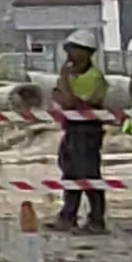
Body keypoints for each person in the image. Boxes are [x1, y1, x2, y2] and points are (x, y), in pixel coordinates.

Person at [53, 34, 112, 233]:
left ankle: (96, 219)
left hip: (87, 130)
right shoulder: (74, 75)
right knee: (70, 172)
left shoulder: (93, 77)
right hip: (72, 127)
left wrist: (64, 82)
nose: (69, 54)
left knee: (88, 174)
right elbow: (57, 96)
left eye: (74, 49)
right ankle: (68, 215)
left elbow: (72, 103)